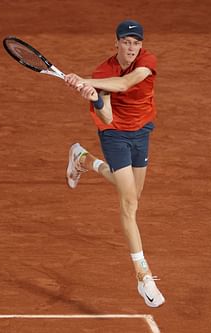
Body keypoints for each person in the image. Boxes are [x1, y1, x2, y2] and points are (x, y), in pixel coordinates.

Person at [64, 19, 165, 308]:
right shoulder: (102, 71)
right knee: (129, 203)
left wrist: (86, 82)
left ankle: (82, 159)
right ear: (117, 43)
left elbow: (125, 83)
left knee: (134, 193)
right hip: (115, 136)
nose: (131, 47)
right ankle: (142, 275)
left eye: (136, 42)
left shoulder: (147, 61)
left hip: (142, 131)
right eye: (126, 42)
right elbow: (107, 118)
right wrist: (95, 99)